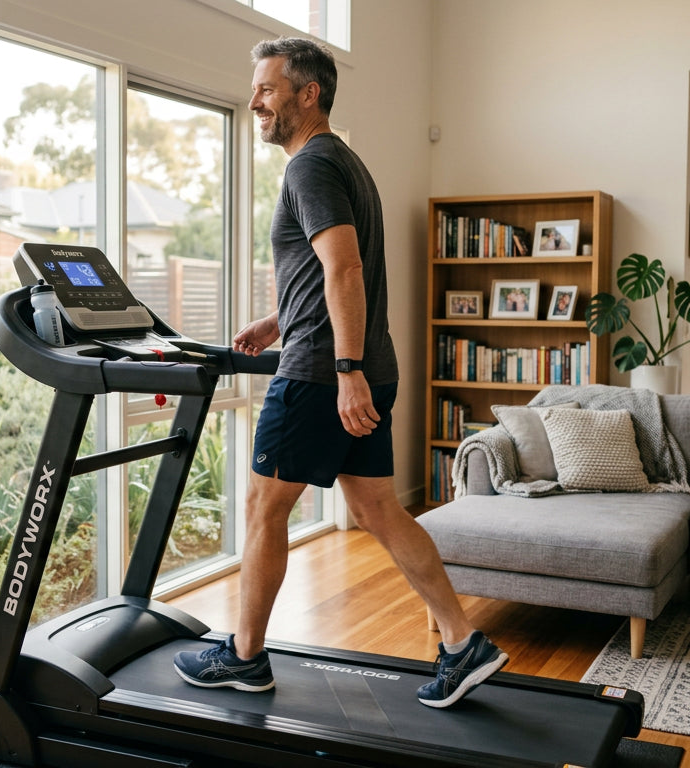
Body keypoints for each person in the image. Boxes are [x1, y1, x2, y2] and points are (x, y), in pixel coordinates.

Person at [172, 36, 507, 709]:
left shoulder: (308, 168)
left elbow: (346, 268)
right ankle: (461, 639)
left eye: (266, 88)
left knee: (263, 507)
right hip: (354, 365)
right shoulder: (343, 162)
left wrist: (344, 368)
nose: (255, 100)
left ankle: (244, 657)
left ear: (307, 93)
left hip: (325, 376)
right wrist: (279, 320)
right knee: (378, 507)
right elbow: (326, 271)